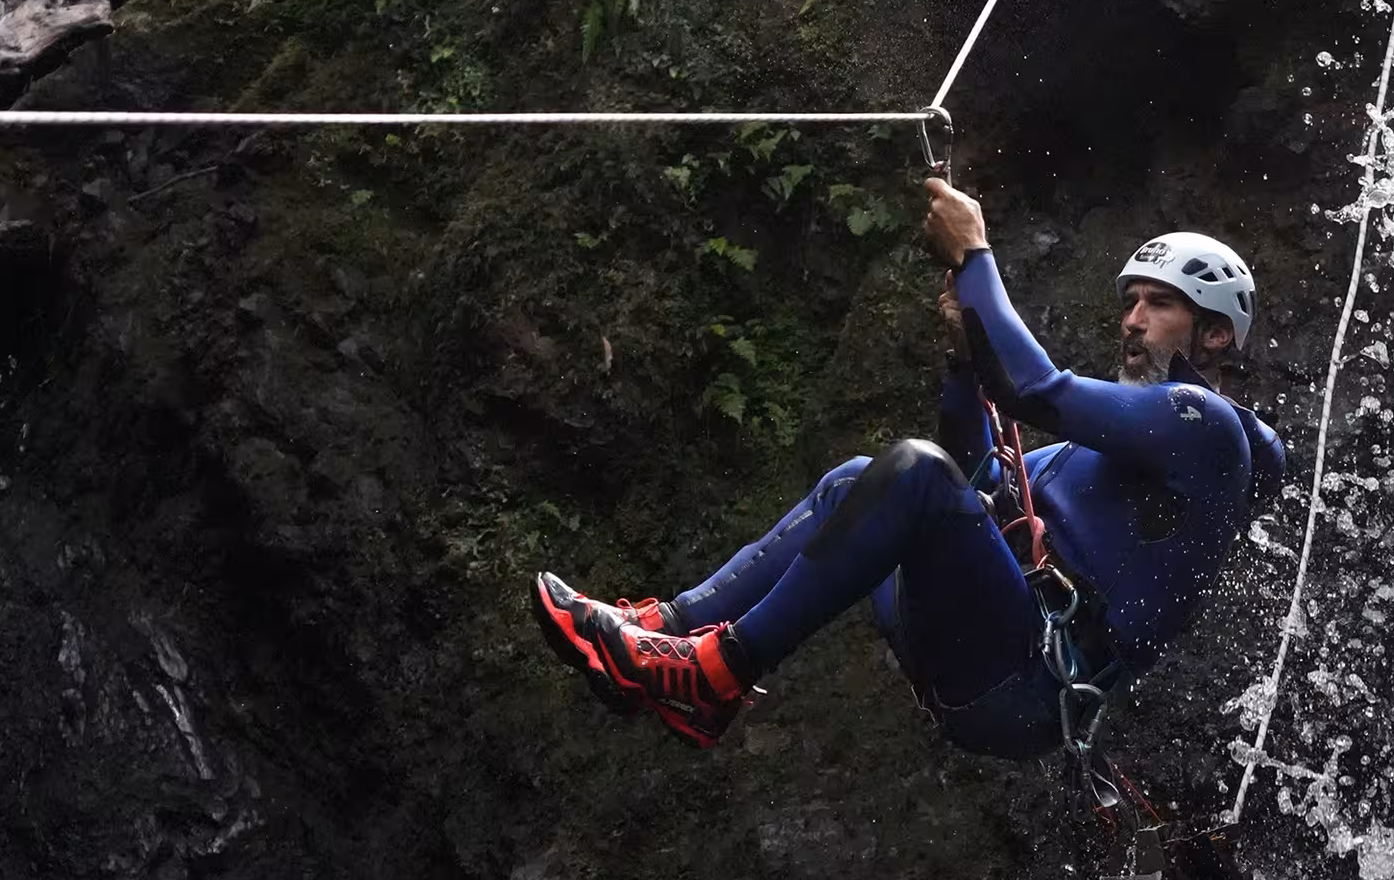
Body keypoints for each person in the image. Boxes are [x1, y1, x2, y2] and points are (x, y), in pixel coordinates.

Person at [531, 178, 1287, 756]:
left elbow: (1034, 390)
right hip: (986, 641)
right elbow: (976, 480)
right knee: (858, 481)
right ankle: (668, 631)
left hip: (1031, 679)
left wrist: (975, 253)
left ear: (1216, 335)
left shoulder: (1210, 432)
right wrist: (962, 361)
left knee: (911, 471)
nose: (1131, 320)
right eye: (1131, 302)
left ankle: (714, 674)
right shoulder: (1109, 451)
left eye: (1159, 305)